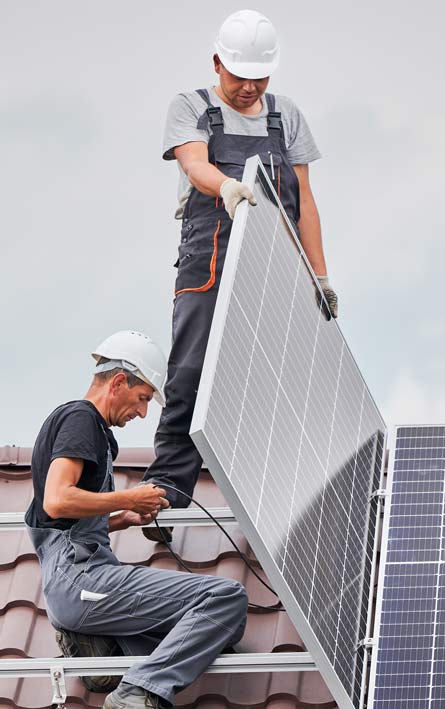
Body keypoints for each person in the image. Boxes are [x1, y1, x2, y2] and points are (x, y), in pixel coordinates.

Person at [142, 10, 339, 540]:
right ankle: (166, 497)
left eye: (260, 76)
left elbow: (305, 202)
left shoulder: (286, 115)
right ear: (217, 63)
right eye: (239, 76)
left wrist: (318, 275)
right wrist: (225, 187)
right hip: (209, 258)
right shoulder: (191, 108)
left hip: (275, 262)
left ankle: (281, 513)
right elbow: (195, 164)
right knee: (190, 375)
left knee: (271, 385)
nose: (250, 87)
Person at [25, 330, 249, 709]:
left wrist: (120, 519)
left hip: (76, 582)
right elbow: (57, 500)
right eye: (144, 398)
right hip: (82, 579)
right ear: (117, 382)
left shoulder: (87, 430)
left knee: (216, 636)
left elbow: (58, 518)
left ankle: (100, 648)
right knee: (225, 599)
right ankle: (136, 693)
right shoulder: (82, 419)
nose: (143, 413)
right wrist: (130, 498)